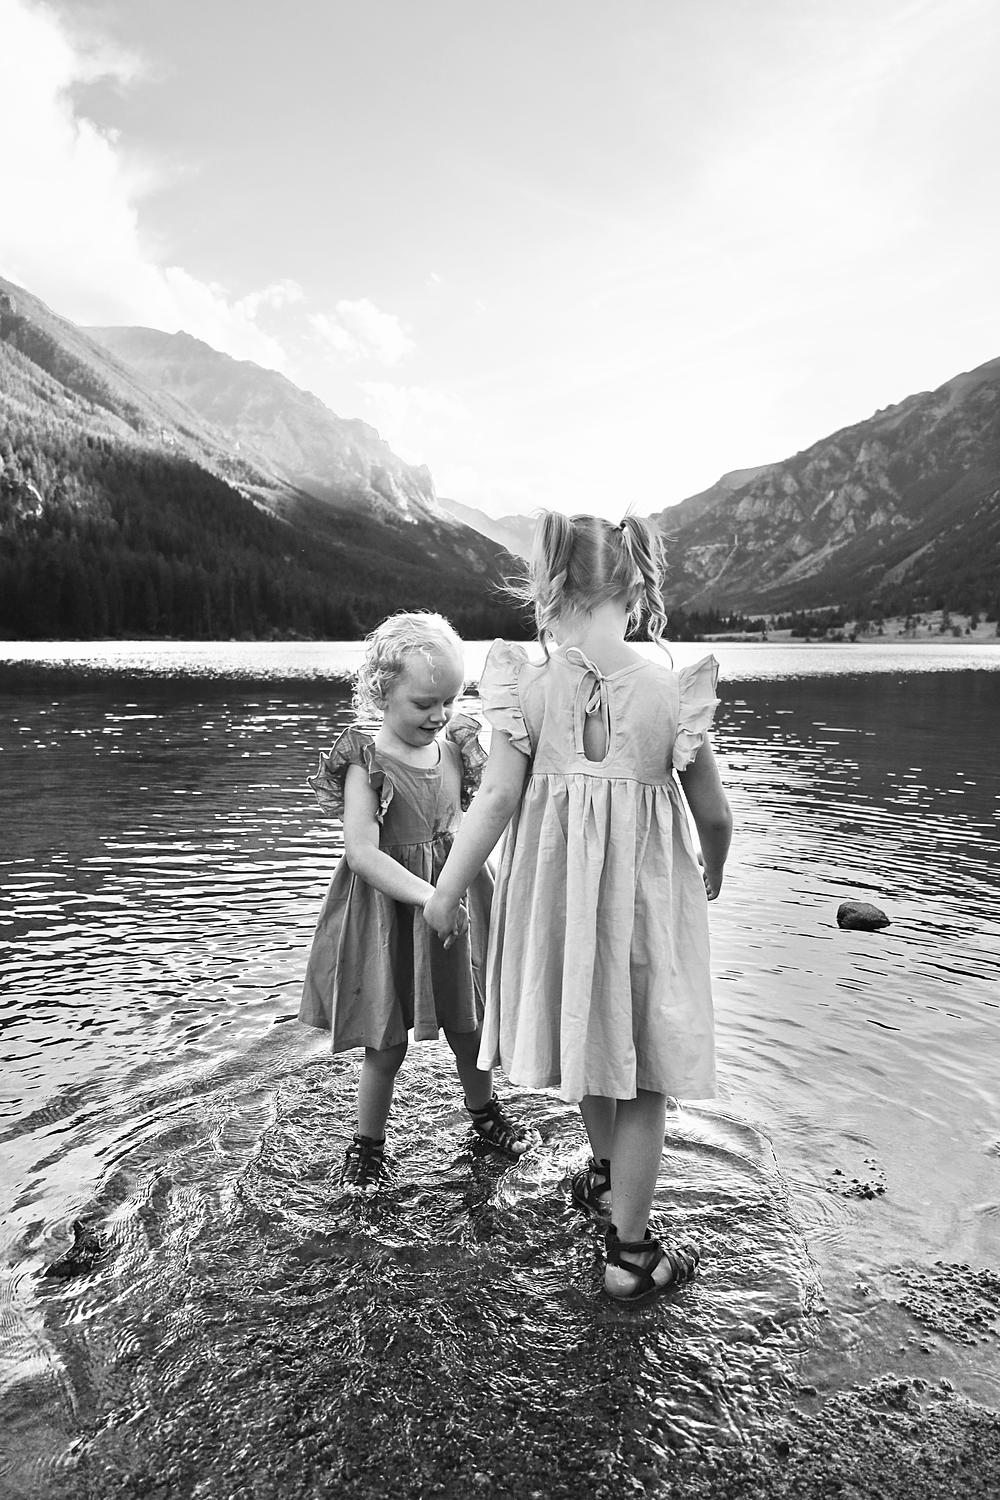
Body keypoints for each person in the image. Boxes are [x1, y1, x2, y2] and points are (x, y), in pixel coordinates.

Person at [424, 514, 732, 1302]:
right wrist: (714, 869)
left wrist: (448, 890)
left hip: (558, 909)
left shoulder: (526, 686)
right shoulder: (671, 692)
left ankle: (604, 1178)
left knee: (594, 1039)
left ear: (552, 590)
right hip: (644, 909)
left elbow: (495, 799)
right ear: (633, 589)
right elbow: (715, 815)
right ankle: (630, 1255)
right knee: (647, 1070)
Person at [299, 610, 534, 1193]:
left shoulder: (454, 750)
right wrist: (431, 895)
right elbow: (361, 853)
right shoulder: (367, 764)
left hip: (454, 904)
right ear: (382, 693)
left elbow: (477, 820)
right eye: (425, 703)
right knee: (386, 1041)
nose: (440, 714)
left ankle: (484, 1115)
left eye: (450, 700)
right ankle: (368, 1145)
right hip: (389, 912)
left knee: (468, 1022)